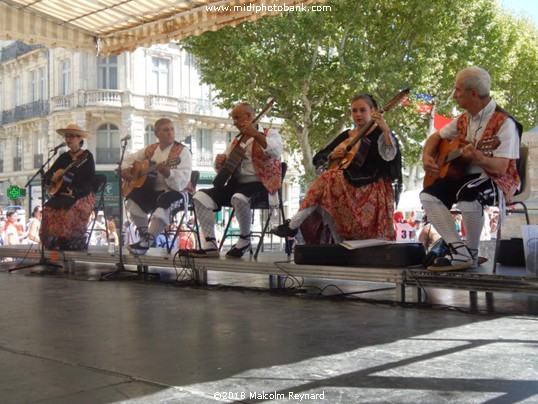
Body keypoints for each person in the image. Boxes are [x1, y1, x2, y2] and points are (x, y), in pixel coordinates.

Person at [420, 66, 522, 271]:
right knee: (428, 196)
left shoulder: (505, 123)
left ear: (473, 93)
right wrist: (427, 156)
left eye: (458, 90)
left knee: (468, 196)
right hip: (465, 177)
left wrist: (479, 157)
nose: (455, 95)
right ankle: (461, 252)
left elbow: (502, 167)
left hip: (497, 179)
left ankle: (470, 254)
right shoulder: (464, 119)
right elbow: (436, 137)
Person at [273, 93, 401, 242]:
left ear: (373, 111)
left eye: (362, 110)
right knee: (326, 187)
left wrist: (385, 130)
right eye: (354, 110)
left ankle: (294, 224)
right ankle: (305, 229)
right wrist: (332, 155)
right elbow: (319, 157)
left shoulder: (380, 133)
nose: (358, 114)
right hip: (348, 183)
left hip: (372, 186)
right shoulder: (347, 134)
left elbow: (390, 157)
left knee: (328, 178)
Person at [189, 102, 283, 258]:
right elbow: (225, 168)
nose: (235, 122)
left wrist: (256, 134)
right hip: (236, 185)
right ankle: (210, 243)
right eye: (233, 119)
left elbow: (276, 150)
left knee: (238, 197)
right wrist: (219, 163)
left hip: (261, 184)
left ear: (249, 116)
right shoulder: (235, 141)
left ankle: (245, 239)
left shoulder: (270, 133)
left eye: (237, 118)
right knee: (200, 197)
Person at [122, 118, 192, 255]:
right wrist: (125, 169)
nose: (170, 133)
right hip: (153, 190)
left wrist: (168, 173)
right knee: (131, 198)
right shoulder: (151, 149)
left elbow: (183, 180)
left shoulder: (182, 152)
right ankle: (144, 235)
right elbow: (129, 158)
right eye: (166, 130)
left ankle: (147, 241)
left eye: (172, 129)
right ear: (156, 133)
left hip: (177, 192)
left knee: (165, 201)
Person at [40, 124, 96, 250]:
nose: (68, 139)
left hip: (82, 194)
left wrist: (76, 192)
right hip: (62, 193)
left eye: (71, 136)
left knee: (69, 210)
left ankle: (66, 240)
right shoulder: (64, 157)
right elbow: (49, 173)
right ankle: (51, 242)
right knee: (48, 208)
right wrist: (52, 179)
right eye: (66, 136)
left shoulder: (86, 157)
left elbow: (90, 180)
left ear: (80, 139)